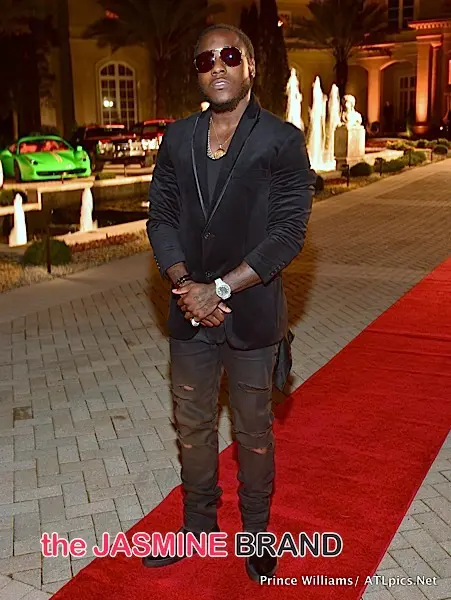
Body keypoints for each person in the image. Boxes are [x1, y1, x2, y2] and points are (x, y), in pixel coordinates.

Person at [144, 23, 315, 582]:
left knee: (252, 432)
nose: (217, 66)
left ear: (250, 65)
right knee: (192, 426)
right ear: (197, 73)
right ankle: (197, 526)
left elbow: (288, 233)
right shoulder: (178, 138)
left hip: (251, 312)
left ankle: (257, 533)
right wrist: (184, 284)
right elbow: (161, 218)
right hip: (188, 312)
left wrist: (217, 289)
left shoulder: (281, 140)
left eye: (229, 56)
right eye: (205, 60)